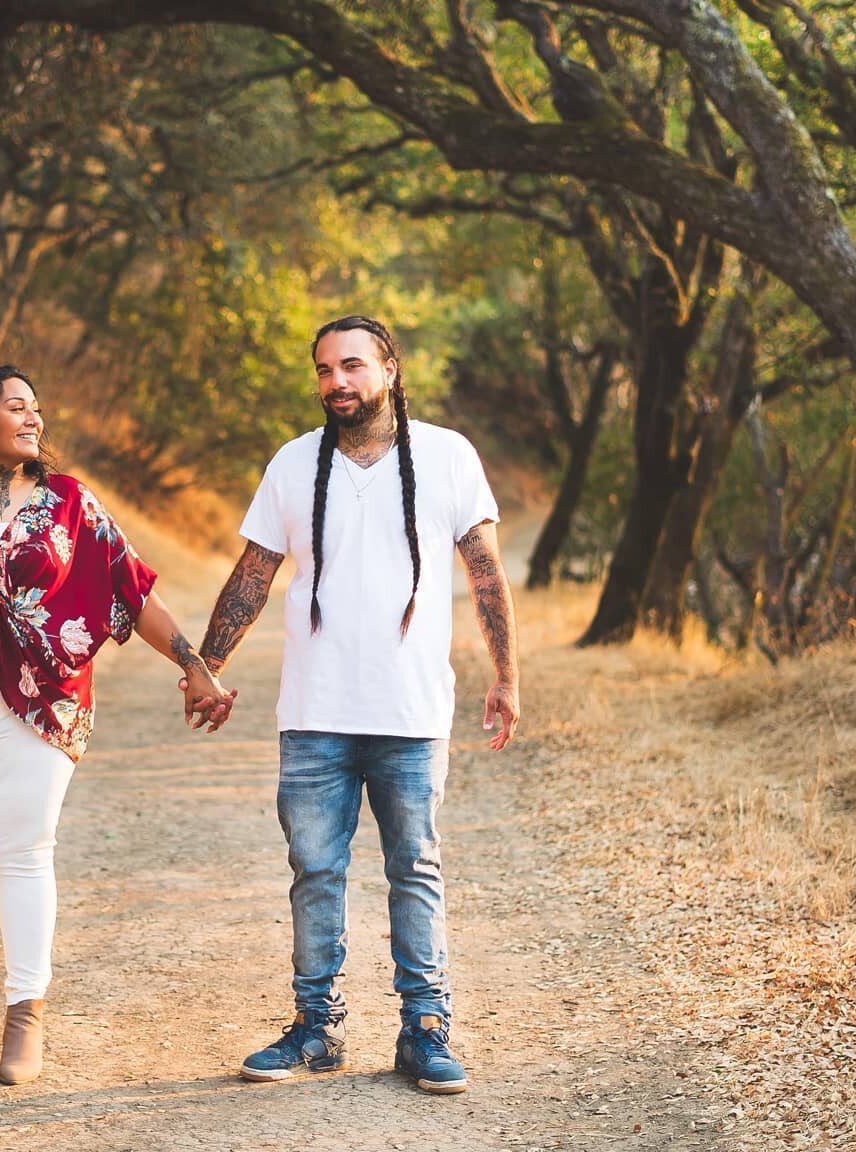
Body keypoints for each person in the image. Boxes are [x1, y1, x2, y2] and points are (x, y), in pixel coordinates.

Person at [0, 365, 233, 1086]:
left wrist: (193, 666)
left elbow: (132, 589)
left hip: (46, 702)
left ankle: (24, 1015)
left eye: (37, 409)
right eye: (17, 408)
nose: (34, 420)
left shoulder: (71, 502)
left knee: (27, 851)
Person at [192, 315, 520, 1094]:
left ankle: (427, 1028)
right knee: (315, 872)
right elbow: (252, 574)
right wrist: (207, 666)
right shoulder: (293, 463)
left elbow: (485, 574)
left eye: (351, 366)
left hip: (410, 715)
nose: (336, 382)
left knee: (416, 868)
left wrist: (507, 675)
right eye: (323, 371)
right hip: (315, 713)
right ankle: (316, 1028)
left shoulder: (446, 456)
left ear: (390, 370)